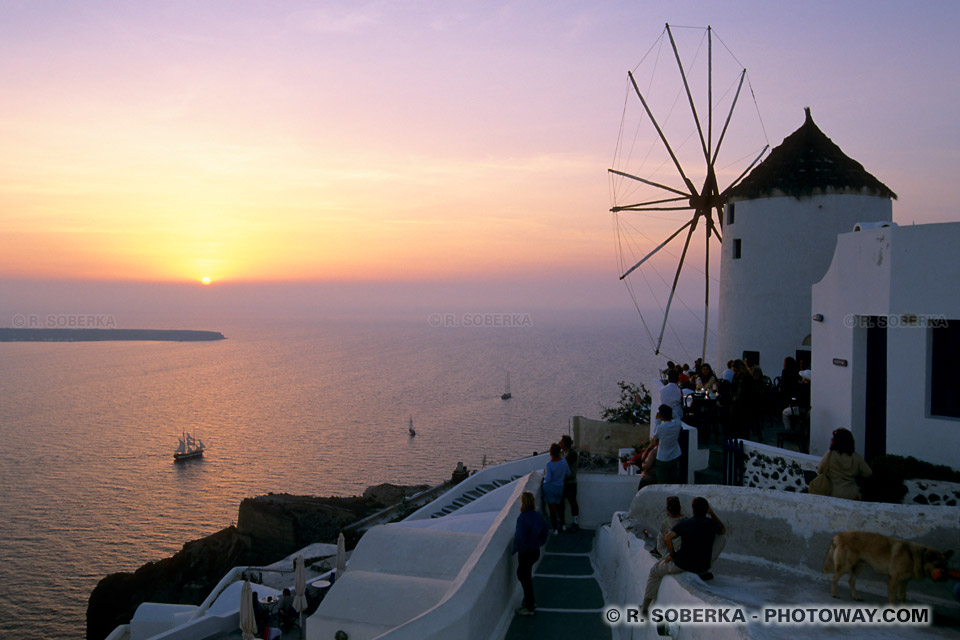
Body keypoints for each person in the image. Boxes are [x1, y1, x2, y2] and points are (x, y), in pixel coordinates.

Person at [641, 497, 726, 613]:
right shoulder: (712, 524)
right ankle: (701, 572)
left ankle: (644, 608)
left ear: (693, 510)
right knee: (722, 538)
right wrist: (711, 513)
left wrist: (673, 555)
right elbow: (722, 531)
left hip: (683, 564)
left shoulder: (686, 524)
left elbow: (667, 538)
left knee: (654, 572)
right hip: (703, 565)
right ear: (707, 510)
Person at [512, 491, 549, 616]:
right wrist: (539, 542)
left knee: (523, 577)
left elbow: (520, 536)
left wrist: (516, 549)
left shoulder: (522, 518)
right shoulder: (537, 515)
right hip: (535, 551)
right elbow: (545, 531)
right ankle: (530, 602)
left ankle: (529, 607)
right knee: (525, 576)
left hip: (526, 552)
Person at [817, 428, 872, 500]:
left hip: (833, 493)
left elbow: (820, 469)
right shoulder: (857, 457)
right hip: (852, 494)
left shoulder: (829, 455)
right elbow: (868, 473)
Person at [651, 404, 682, 484]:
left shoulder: (660, 428)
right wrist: (671, 411)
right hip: (674, 456)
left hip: (662, 458)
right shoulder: (677, 425)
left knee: (662, 482)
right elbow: (677, 417)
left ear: (661, 415)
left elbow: (654, 435)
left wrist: (657, 420)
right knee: (673, 482)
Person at [543, 443, 570, 534]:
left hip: (550, 488)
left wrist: (544, 474)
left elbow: (548, 479)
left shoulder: (549, 464)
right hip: (560, 487)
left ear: (551, 453)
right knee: (560, 508)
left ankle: (555, 529)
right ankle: (563, 525)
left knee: (552, 510)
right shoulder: (563, 461)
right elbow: (568, 473)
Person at [559, 435, 580, 532]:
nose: (560, 443)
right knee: (561, 503)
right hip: (563, 482)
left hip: (570, 482)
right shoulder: (563, 453)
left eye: (561, 442)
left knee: (572, 502)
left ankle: (575, 522)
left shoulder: (572, 454)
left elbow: (562, 464)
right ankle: (562, 523)